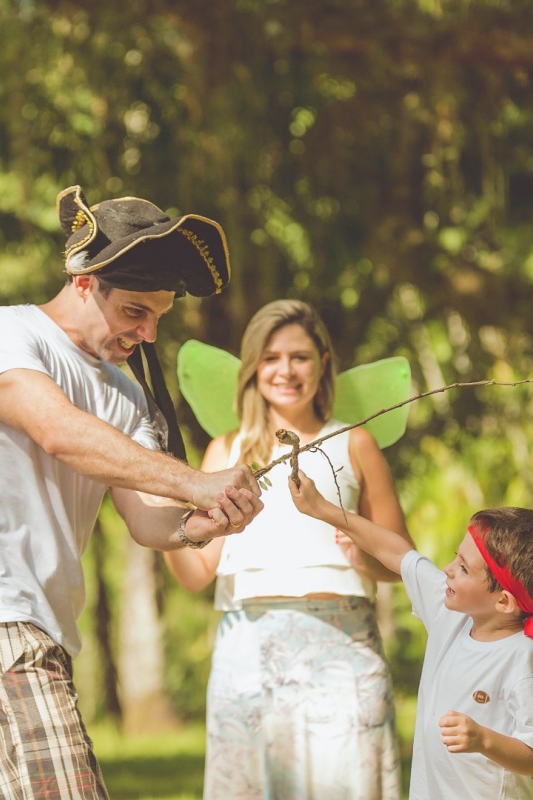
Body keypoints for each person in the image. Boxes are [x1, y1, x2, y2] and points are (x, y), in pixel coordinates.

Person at [0, 185, 265, 800]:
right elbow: (58, 432)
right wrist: (194, 481)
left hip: (43, 628)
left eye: (158, 316)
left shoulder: (125, 393)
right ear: (83, 281)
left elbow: (148, 520)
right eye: (135, 312)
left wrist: (202, 522)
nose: (149, 334)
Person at [165, 299, 411, 800]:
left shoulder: (356, 442)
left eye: (300, 356)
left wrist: (364, 559)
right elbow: (196, 573)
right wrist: (162, 515)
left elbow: (401, 559)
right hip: (249, 650)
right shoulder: (225, 451)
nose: (286, 370)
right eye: (271, 357)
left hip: (344, 648)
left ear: (324, 362)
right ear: (253, 368)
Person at [290, 476, 533, 800]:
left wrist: (482, 739)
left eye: (464, 569)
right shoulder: (449, 610)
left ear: (504, 602)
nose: (449, 569)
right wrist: (322, 508)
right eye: (457, 557)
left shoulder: (523, 657)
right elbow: (398, 553)